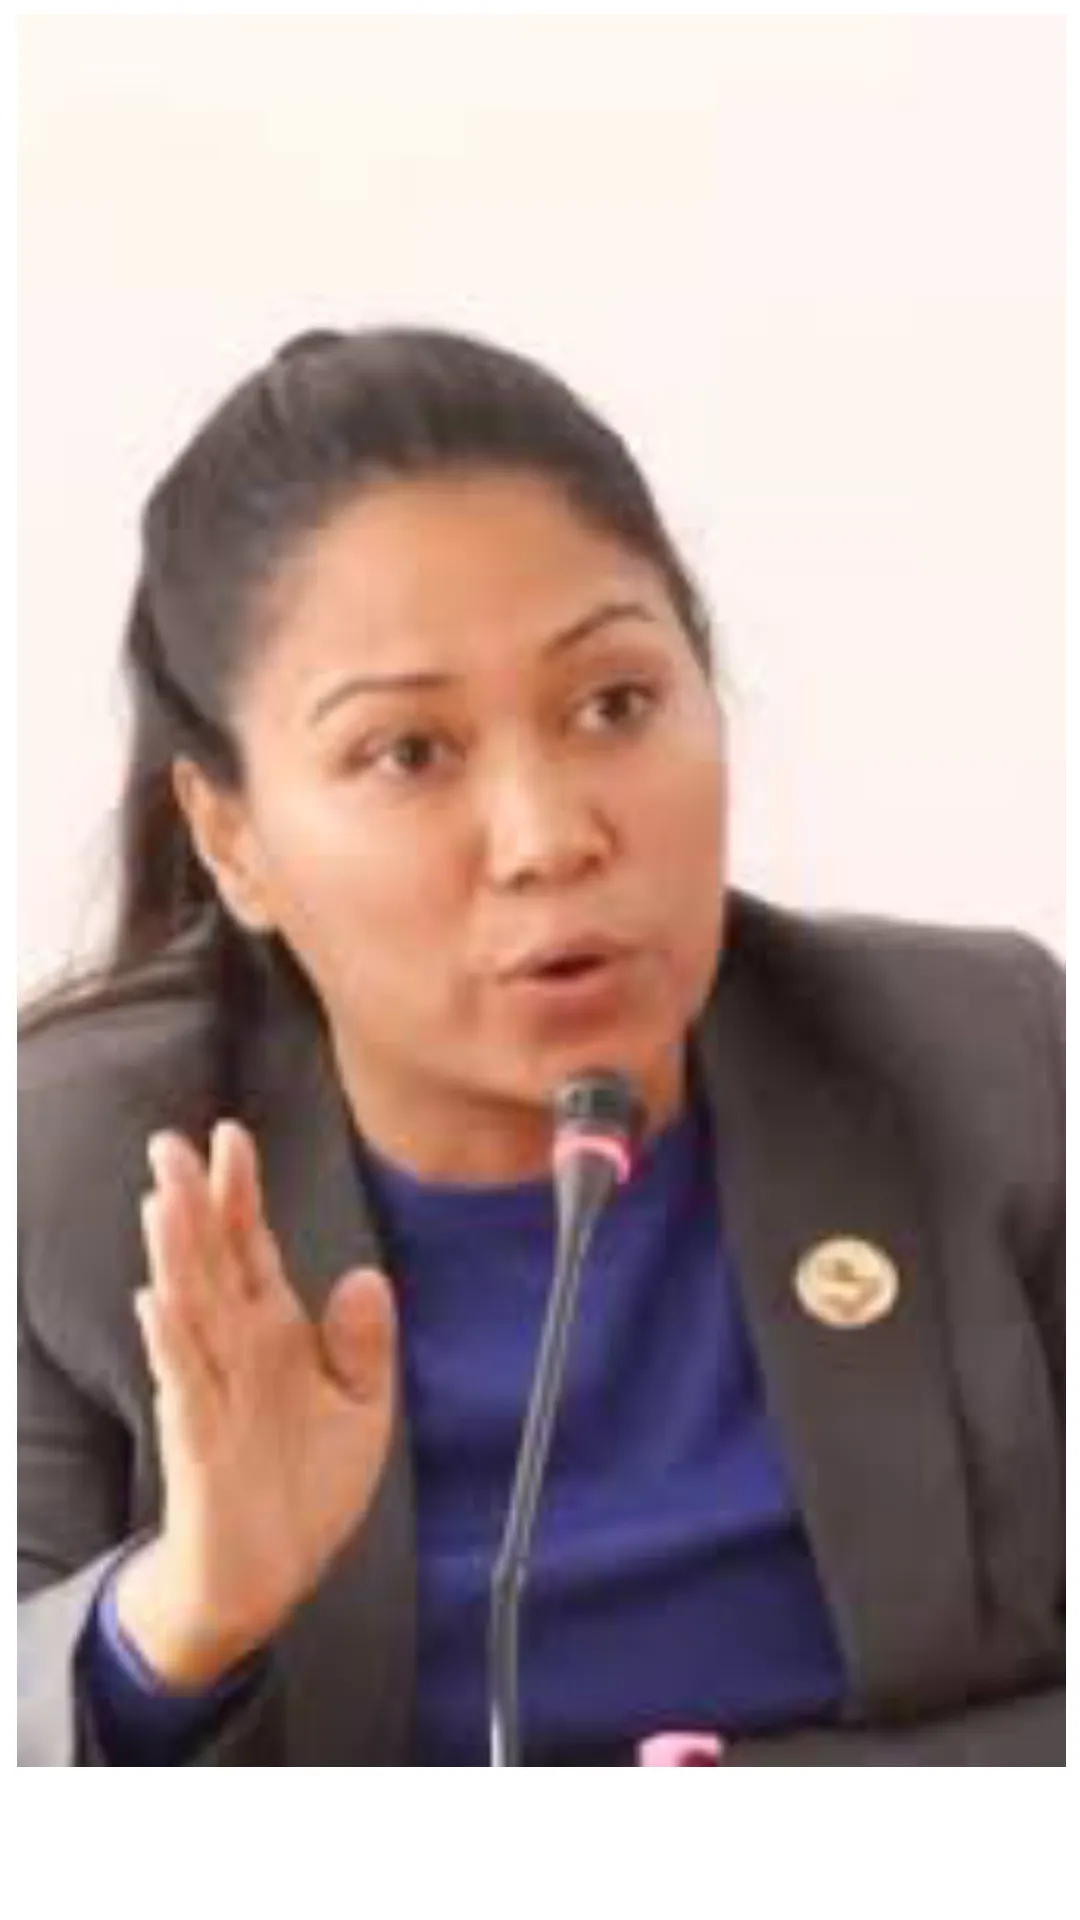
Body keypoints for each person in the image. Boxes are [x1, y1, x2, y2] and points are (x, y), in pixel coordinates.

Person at [18, 326, 1063, 1767]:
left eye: (615, 705)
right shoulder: (79, 1183)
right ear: (233, 838)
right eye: (408, 753)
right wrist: (181, 1619)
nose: (550, 835)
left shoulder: (987, 1065)